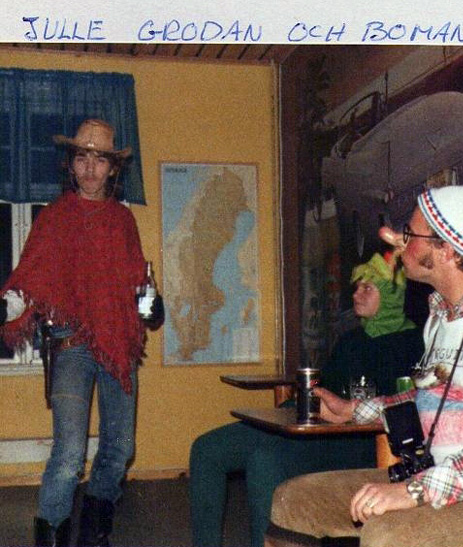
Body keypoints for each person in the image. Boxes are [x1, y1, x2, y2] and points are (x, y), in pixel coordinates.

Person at [266, 169, 463, 547]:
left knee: (389, 535)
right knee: (295, 500)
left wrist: (415, 491)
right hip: (436, 477)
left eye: (410, 234)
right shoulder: (439, 318)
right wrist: (353, 410)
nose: (395, 240)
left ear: (447, 250)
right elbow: (427, 401)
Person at [189, 252, 424, 547]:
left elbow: (407, 407)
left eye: (368, 288)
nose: (356, 294)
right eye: (356, 287)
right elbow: (326, 386)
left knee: (265, 461)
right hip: (318, 428)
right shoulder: (351, 340)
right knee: (207, 449)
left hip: (359, 440)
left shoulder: (414, 343)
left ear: (391, 296)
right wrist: (293, 408)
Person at [0, 119, 161, 547]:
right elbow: (30, 278)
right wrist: (9, 305)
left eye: (100, 159)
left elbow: (137, 282)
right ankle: (51, 535)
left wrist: (150, 302)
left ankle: (94, 534)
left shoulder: (122, 221)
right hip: (70, 344)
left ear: (113, 168)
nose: (90, 168)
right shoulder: (55, 218)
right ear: (71, 164)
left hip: (117, 344)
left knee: (120, 449)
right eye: (82, 157)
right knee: (70, 453)